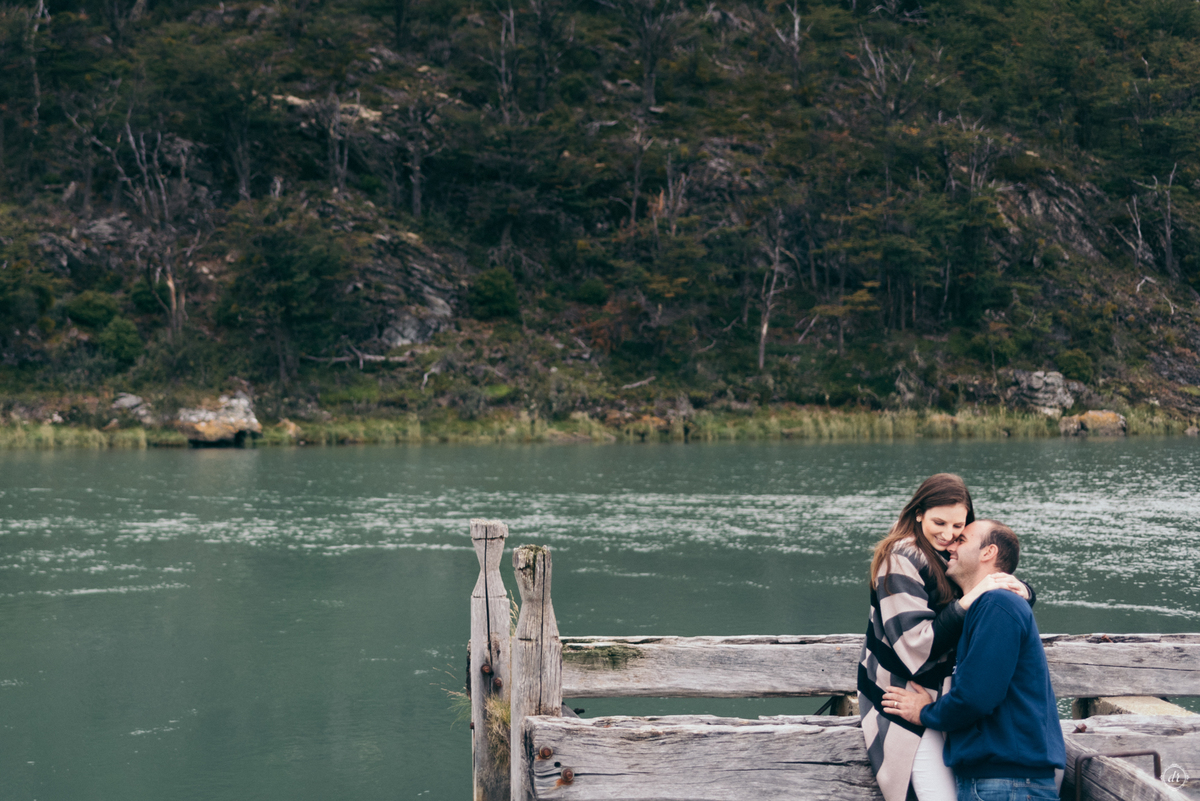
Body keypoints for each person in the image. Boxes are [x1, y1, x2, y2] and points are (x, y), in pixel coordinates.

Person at [858, 474, 1033, 801]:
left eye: (959, 527)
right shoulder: (900, 557)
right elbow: (915, 644)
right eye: (940, 522)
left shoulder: (950, 556)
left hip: (943, 703)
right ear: (919, 513)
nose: (948, 535)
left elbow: (990, 586)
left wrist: (1022, 590)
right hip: (902, 699)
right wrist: (970, 599)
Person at [882, 520, 1066, 801]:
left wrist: (925, 713)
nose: (951, 545)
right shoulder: (985, 607)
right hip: (1000, 781)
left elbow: (977, 696)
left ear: (988, 552)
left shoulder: (997, 605)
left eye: (962, 539)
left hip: (1007, 784)